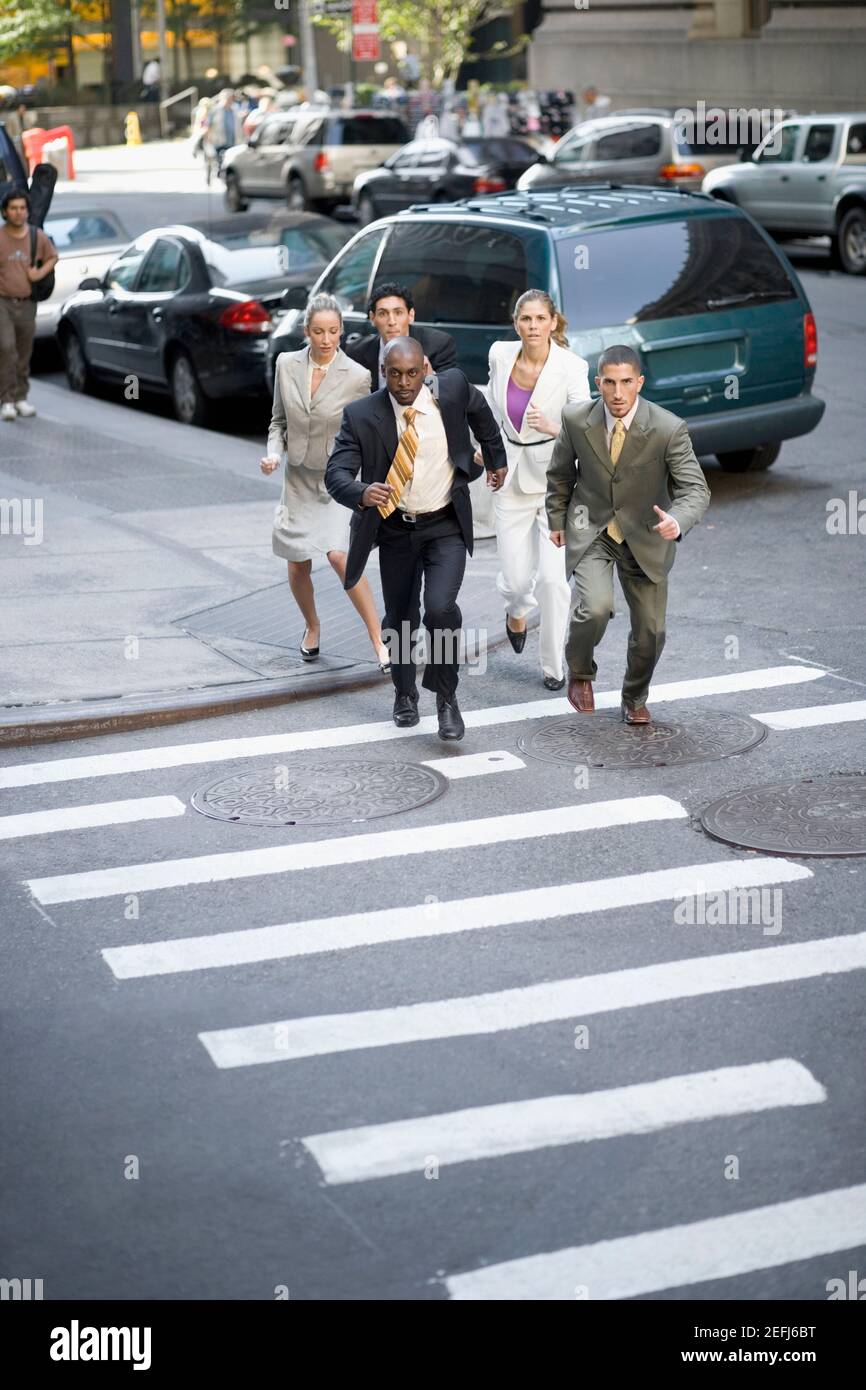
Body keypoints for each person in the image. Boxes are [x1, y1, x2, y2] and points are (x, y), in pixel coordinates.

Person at [326, 336, 507, 740]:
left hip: (444, 523)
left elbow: (482, 416)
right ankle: (404, 692)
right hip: (394, 528)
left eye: (411, 373)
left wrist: (496, 460)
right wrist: (361, 492)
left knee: (440, 609)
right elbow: (335, 474)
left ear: (425, 370)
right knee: (401, 618)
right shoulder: (361, 415)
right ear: (383, 374)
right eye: (394, 374)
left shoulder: (454, 387)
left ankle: (446, 698)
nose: (404, 383)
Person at [546, 345, 711, 723]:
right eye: (609, 383)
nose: (618, 394)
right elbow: (560, 475)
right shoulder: (575, 419)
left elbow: (695, 490)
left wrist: (677, 520)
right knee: (595, 608)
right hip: (594, 530)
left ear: (640, 382)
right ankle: (581, 672)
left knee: (651, 631)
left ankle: (634, 696)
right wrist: (557, 519)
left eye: (626, 383)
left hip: (648, 535)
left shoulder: (668, 428)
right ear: (597, 382)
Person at [260, 293, 390, 670]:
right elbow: (278, 422)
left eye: (333, 331)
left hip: (337, 479)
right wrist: (273, 454)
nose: (326, 339)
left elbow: (369, 429)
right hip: (297, 478)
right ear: (306, 331)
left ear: (341, 332)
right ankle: (312, 627)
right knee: (298, 562)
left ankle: (378, 639)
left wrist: (369, 481)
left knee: (339, 556)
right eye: (318, 331)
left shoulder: (357, 376)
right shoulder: (286, 364)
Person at [483, 290, 590, 690]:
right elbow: (491, 412)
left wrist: (553, 427)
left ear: (553, 322)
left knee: (552, 580)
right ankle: (515, 612)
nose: (533, 327)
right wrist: (485, 453)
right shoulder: (499, 355)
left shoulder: (571, 366)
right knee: (514, 580)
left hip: (555, 482)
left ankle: (553, 665)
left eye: (540, 319)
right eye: (525, 319)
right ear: (516, 323)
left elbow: (589, 427)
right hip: (510, 478)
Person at [0, 188, 58, 422]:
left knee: (24, 352)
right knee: (6, 349)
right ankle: (6, 400)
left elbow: (53, 256)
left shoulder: (36, 236)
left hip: (27, 303)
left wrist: (39, 273)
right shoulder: (1, 237)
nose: (18, 212)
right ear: (5, 211)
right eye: (13, 208)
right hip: (2, 302)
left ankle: (20, 397)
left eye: (22, 208)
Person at [345, 281, 457, 393]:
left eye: (398, 313)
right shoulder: (356, 352)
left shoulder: (438, 345)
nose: (392, 321)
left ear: (411, 315)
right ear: (372, 318)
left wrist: (430, 377)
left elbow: (452, 395)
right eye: (383, 314)